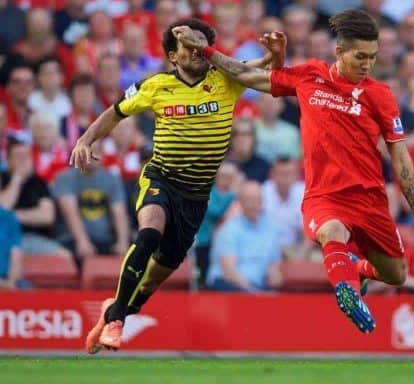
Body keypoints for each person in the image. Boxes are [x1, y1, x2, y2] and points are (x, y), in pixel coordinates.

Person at [173, 9, 414, 334]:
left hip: (371, 201)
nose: (367, 64)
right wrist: (205, 50)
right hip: (325, 197)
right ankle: (346, 292)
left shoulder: (380, 95)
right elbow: (247, 75)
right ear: (339, 52)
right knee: (332, 231)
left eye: (373, 57)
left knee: (396, 275)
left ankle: (356, 269)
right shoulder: (310, 76)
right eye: (360, 56)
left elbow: (401, 156)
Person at [71, 19, 285, 354]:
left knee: (157, 275)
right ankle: (117, 322)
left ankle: (114, 310)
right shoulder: (155, 86)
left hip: (196, 196)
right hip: (161, 179)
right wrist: (86, 140)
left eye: (202, 45)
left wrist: (276, 53)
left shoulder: (227, 77)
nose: (198, 52)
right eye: (188, 46)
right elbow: (114, 113)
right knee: (149, 233)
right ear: (173, 56)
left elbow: (268, 70)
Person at [206, 181, 283, 292]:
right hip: (227, 285)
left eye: (257, 200)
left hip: (256, 287)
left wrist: (274, 274)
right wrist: (256, 294)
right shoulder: (228, 230)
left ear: (263, 201)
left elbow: (273, 265)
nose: (254, 204)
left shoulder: (272, 228)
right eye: (249, 200)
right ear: (240, 202)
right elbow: (229, 272)